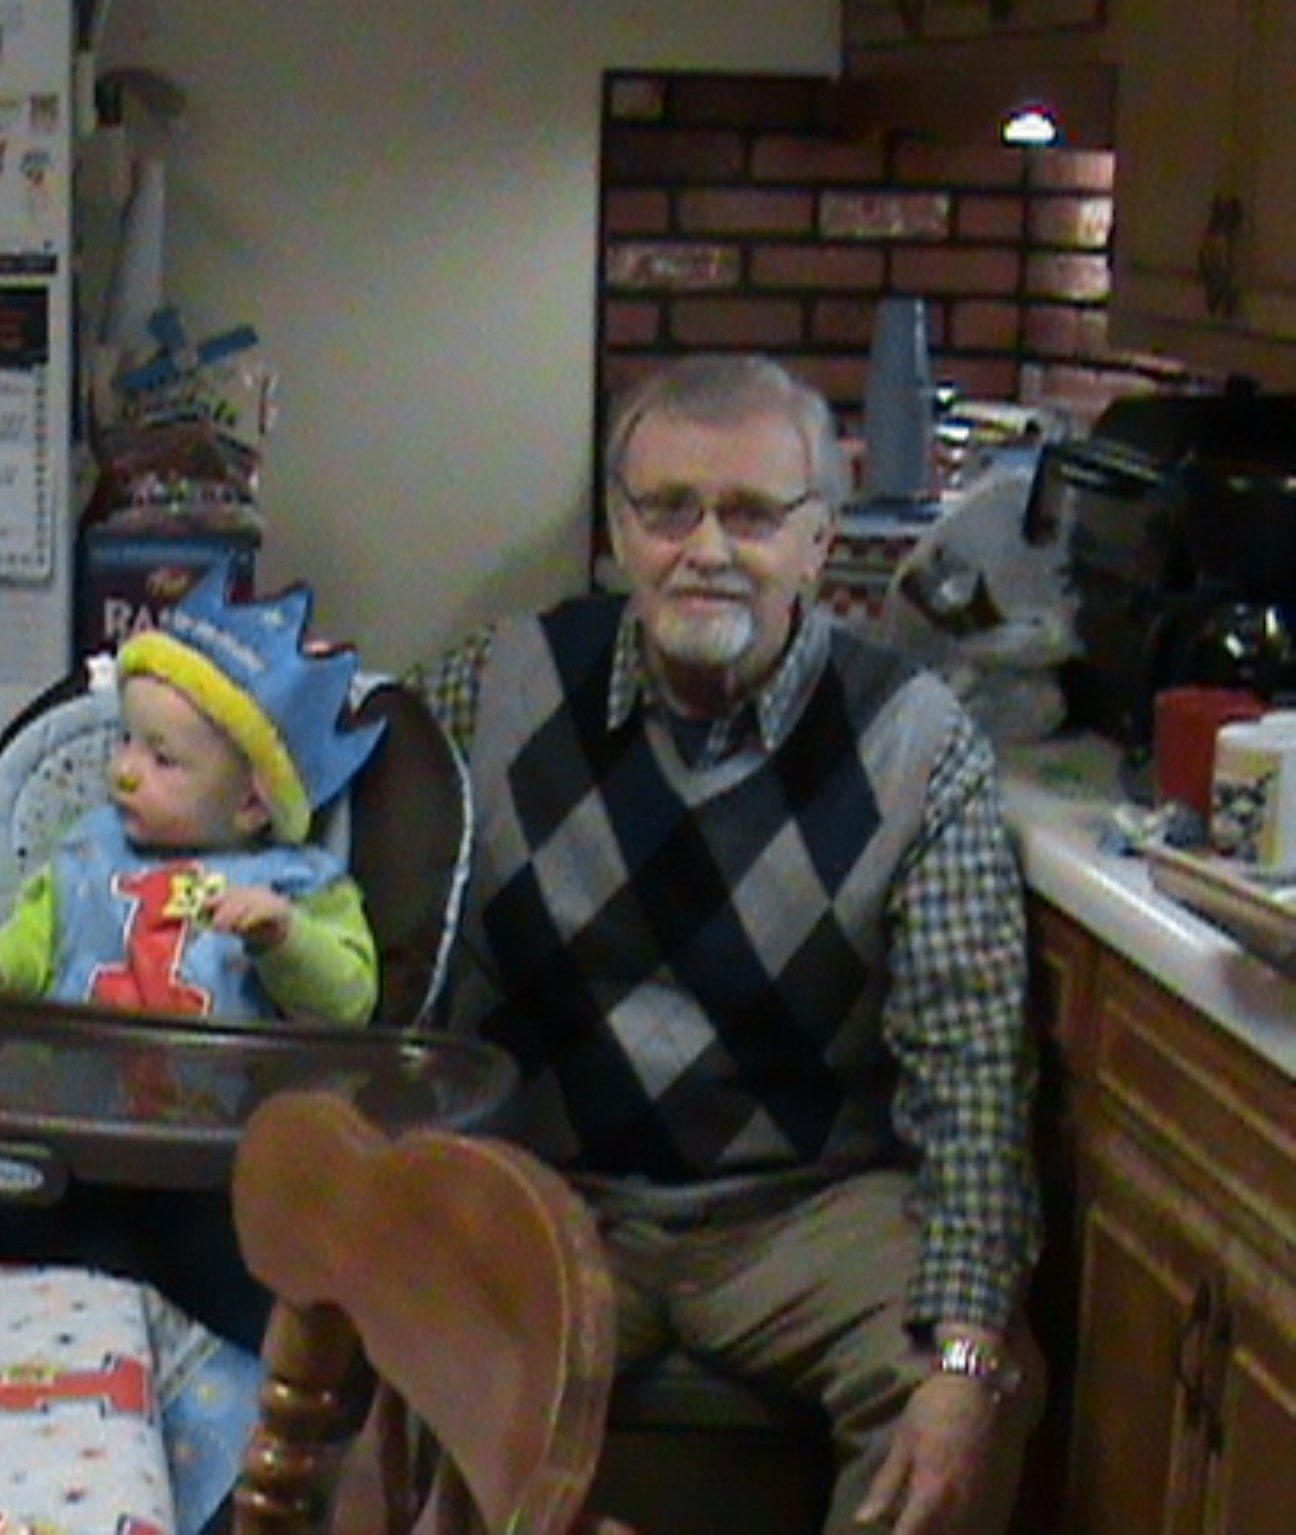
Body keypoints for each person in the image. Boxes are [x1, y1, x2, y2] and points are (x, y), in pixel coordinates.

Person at [406, 354, 1043, 1535]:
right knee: (401, 1353)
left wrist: (963, 1353)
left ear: (818, 539)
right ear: (616, 532)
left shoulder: (916, 743)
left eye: (750, 514)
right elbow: (337, 851)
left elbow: (972, 1076)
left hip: (806, 1212)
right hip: (551, 1198)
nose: (705, 548)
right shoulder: (494, 688)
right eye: (667, 509)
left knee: (968, 1397)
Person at [0, 564, 384, 1031]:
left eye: (162, 759)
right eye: (125, 740)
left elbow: (350, 1005)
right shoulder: (88, 853)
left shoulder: (298, 884)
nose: (123, 772)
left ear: (251, 805)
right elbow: (30, 952)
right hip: (77, 1076)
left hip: (230, 1084)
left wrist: (285, 939)